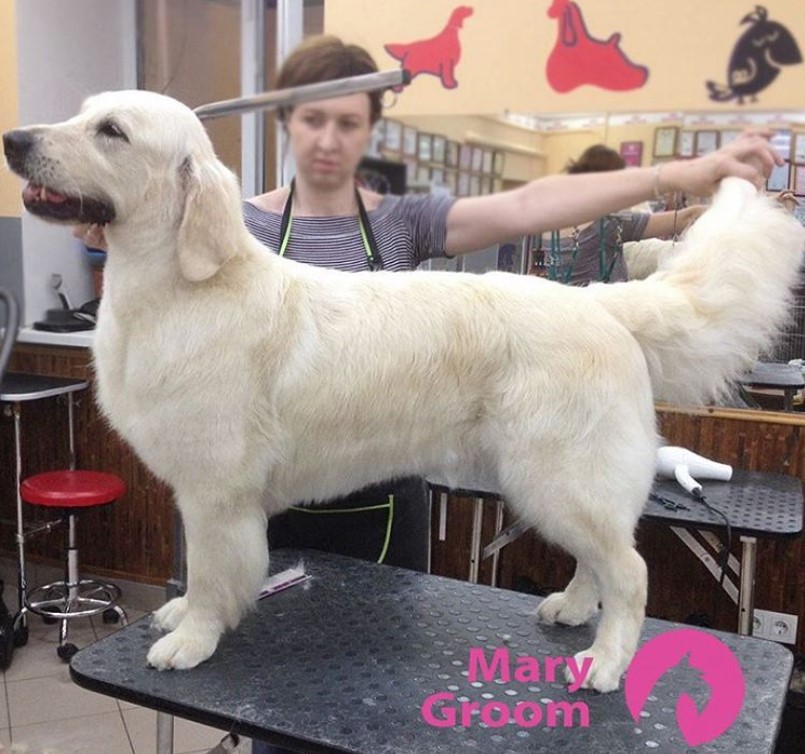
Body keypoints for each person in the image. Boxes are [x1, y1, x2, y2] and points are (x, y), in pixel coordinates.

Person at [75, 34, 782, 754]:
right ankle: (211, 605)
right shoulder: (235, 223)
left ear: (367, 132)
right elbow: (212, 486)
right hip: (276, 530)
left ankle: (614, 600)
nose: (327, 137)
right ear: (287, 124)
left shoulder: (405, 220)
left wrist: (684, 171)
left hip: (382, 520)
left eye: (347, 122)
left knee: (389, 704)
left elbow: (535, 201)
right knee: (274, 718)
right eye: (312, 118)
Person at [545, 144, 705, 285]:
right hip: (602, 311)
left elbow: (535, 273)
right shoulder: (610, 225)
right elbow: (688, 217)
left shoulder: (542, 223)